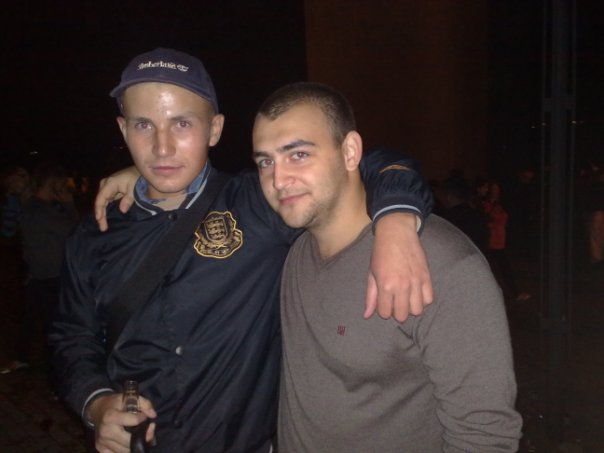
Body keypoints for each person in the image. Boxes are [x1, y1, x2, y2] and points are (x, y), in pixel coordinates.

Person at [50, 48, 434, 452]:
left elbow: (368, 164)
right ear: (123, 129)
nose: (162, 147)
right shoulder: (93, 234)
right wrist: (97, 403)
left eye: (182, 123)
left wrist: (395, 220)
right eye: (144, 125)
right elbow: (71, 339)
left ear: (214, 129)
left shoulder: (259, 203)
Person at [251, 82, 523, 451]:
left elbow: (484, 436)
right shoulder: (294, 250)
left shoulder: (443, 264)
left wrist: (397, 217)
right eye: (265, 162)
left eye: (298, 154)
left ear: (350, 152)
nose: (278, 180)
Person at [1, 163, 79, 375]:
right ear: (52, 183)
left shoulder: (47, 207)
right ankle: (54, 372)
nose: (65, 188)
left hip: (45, 274)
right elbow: (73, 231)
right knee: (52, 324)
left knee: (34, 319)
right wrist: (69, 206)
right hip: (48, 275)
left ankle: (25, 359)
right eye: (61, 184)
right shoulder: (36, 208)